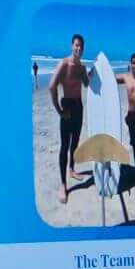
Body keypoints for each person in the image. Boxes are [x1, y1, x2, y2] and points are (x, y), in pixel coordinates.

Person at [50, 35, 89, 188]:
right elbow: (51, 87)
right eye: (76, 45)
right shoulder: (64, 64)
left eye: (81, 46)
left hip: (79, 106)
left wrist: (92, 75)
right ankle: (63, 184)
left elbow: (86, 84)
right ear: (72, 46)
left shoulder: (82, 67)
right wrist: (59, 111)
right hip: (67, 106)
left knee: (76, 143)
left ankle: (72, 169)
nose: (78, 48)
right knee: (65, 145)